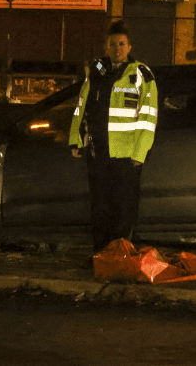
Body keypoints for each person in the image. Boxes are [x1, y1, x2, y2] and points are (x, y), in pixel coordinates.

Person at [69, 19, 158, 257]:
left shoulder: (141, 75)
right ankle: (102, 257)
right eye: (112, 44)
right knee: (100, 210)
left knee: (124, 211)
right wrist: (76, 140)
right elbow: (81, 106)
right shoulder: (97, 71)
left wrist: (139, 155)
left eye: (121, 44)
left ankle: (121, 258)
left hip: (126, 157)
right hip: (98, 153)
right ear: (105, 47)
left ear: (129, 47)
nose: (117, 49)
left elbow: (148, 119)